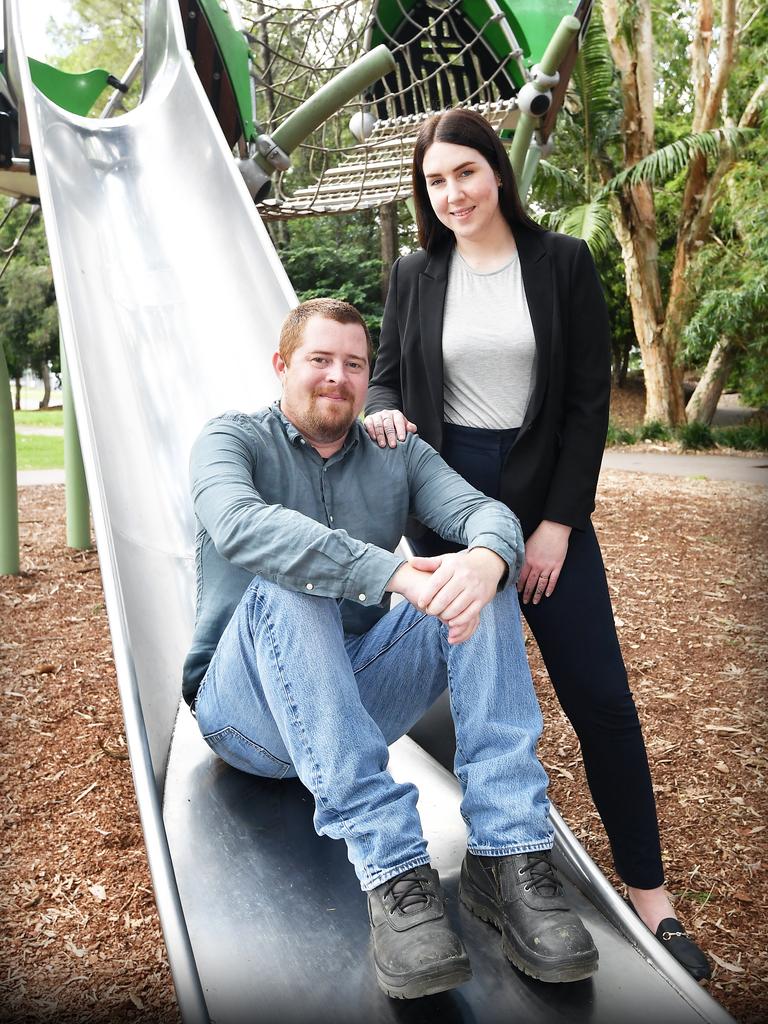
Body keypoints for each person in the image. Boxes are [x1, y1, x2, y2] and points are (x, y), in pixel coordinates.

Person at [364, 108, 711, 981]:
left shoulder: (560, 263)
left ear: (497, 172)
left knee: (599, 695)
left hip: (545, 498)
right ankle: (503, 861)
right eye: (436, 181)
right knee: (482, 693)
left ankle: (651, 895)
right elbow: (389, 374)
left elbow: (589, 400)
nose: (452, 194)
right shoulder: (415, 272)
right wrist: (379, 408)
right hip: (447, 498)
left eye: (465, 174)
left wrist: (556, 523)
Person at [183, 297, 599, 1000]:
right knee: (296, 578)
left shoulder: (393, 448)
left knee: (476, 577)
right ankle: (393, 869)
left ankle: (508, 854)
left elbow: (485, 514)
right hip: (246, 715)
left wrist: (489, 559)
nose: (337, 378)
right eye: (319, 360)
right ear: (282, 365)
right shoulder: (231, 440)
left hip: (358, 692)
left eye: (352, 364)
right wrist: (394, 571)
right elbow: (240, 525)